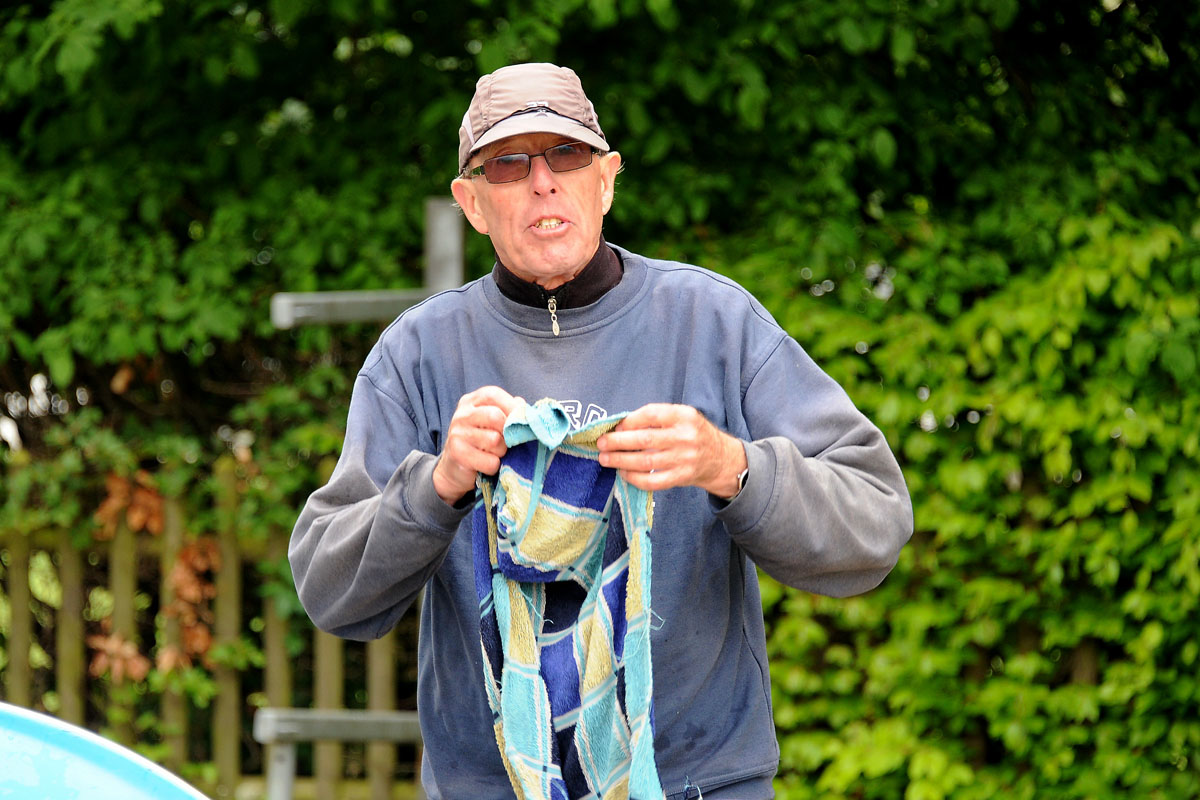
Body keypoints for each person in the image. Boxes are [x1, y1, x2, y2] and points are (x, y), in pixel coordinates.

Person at [289, 62, 913, 799]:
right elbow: (332, 593)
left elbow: (875, 525)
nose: (542, 182)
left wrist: (731, 466)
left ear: (607, 180)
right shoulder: (417, 354)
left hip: (700, 785)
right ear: (472, 202)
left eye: (567, 155)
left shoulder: (714, 323)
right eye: (509, 164)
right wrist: (436, 486)